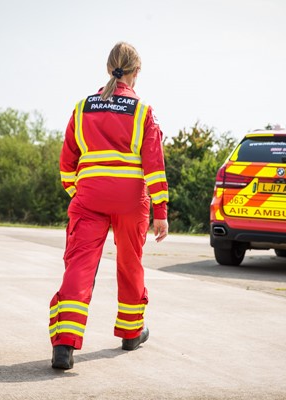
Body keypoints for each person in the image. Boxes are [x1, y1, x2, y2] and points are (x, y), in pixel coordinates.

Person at [49, 42, 169, 370]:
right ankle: (131, 333)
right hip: (131, 201)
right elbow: (154, 166)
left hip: (89, 197)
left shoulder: (81, 107)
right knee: (130, 264)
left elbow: (66, 162)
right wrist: (161, 212)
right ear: (136, 73)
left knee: (79, 267)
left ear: (108, 69)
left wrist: (80, 192)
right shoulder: (144, 111)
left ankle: (64, 344)